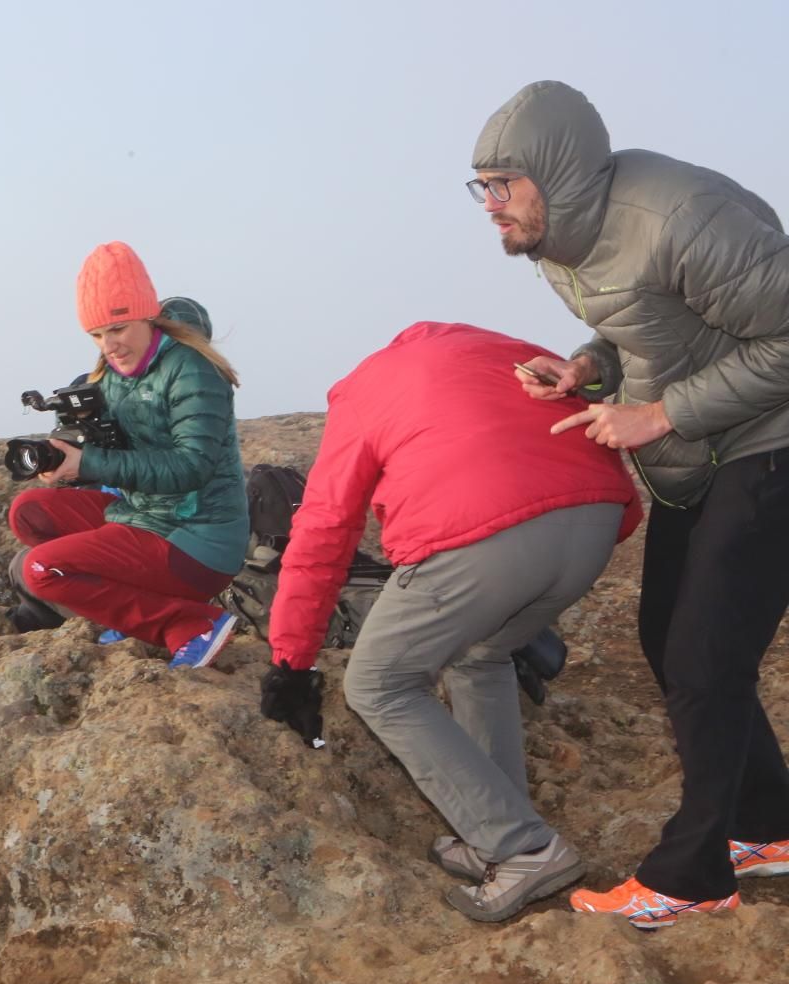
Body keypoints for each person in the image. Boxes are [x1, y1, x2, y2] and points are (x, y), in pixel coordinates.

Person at [470, 81, 789, 925]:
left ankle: (693, 875)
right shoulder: (561, 241)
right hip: (703, 453)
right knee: (668, 636)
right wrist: (588, 367)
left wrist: (660, 414)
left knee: (705, 659)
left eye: (503, 184)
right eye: (482, 187)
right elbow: (652, 324)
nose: (490, 205)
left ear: (557, 173)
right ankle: (772, 826)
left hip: (771, 444)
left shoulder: (678, 218)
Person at [259, 322, 640, 922]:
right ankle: (497, 832)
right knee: (480, 656)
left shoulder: (363, 389)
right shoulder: (499, 349)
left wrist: (292, 662)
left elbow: (326, 528)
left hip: (485, 534)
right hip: (596, 521)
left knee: (379, 683)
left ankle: (523, 850)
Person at [5, 242, 246, 669]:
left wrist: (90, 463)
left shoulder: (193, 370)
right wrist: (68, 458)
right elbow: (116, 447)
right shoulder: (112, 374)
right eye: (97, 335)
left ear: (148, 316)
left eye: (117, 329)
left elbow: (191, 467)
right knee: (28, 513)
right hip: (143, 515)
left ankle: (189, 623)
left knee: (40, 570)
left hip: (196, 537)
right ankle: (130, 608)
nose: (109, 345)